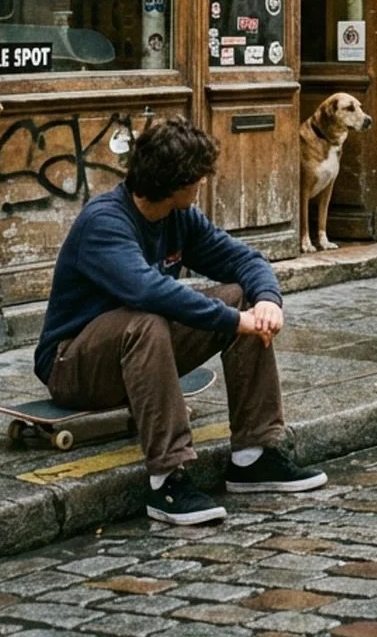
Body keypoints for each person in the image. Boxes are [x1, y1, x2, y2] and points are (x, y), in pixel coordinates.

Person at [34, 115, 325, 526]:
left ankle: (254, 457)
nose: (203, 183)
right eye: (198, 178)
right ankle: (167, 480)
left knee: (240, 296)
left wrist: (266, 302)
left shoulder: (178, 216)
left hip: (137, 355)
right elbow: (150, 292)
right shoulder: (104, 223)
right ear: (175, 183)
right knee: (147, 319)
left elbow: (243, 259)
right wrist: (233, 321)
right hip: (72, 365)